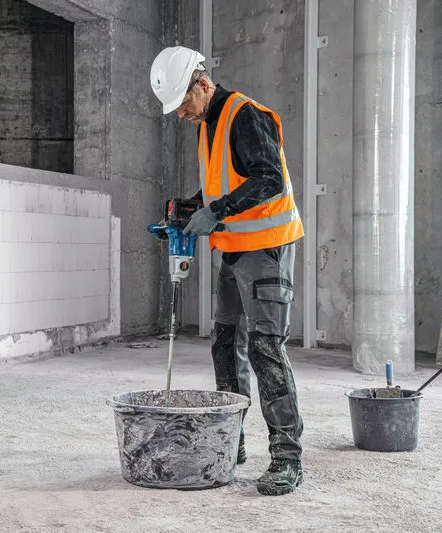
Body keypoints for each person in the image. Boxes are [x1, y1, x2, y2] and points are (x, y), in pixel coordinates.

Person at [149, 46, 305, 496]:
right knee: (225, 343)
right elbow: (225, 182)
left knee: (264, 348)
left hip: (266, 249)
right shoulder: (209, 123)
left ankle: (286, 455)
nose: (181, 113)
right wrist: (191, 208)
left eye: (184, 103)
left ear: (202, 83)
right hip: (235, 248)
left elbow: (269, 179)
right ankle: (230, 438)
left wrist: (216, 210)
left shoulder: (244, 114)